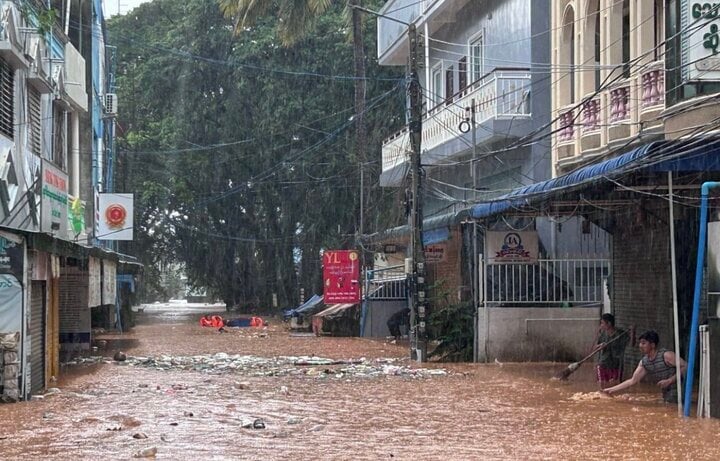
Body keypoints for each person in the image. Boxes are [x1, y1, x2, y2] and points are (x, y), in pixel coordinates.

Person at [603, 330, 687, 403]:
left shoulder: (666, 355)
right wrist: (610, 390)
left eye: (643, 343)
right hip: (666, 392)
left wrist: (670, 380)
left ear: (653, 345)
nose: (640, 346)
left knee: (670, 406)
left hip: (679, 390)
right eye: (640, 343)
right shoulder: (645, 362)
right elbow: (632, 381)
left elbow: (686, 366)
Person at [592, 314, 629, 389]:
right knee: (601, 384)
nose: (601, 325)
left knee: (615, 385)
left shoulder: (620, 334)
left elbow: (631, 344)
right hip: (603, 364)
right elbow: (595, 348)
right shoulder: (603, 334)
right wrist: (600, 346)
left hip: (616, 364)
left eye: (602, 323)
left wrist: (632, 332)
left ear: (609, 323)